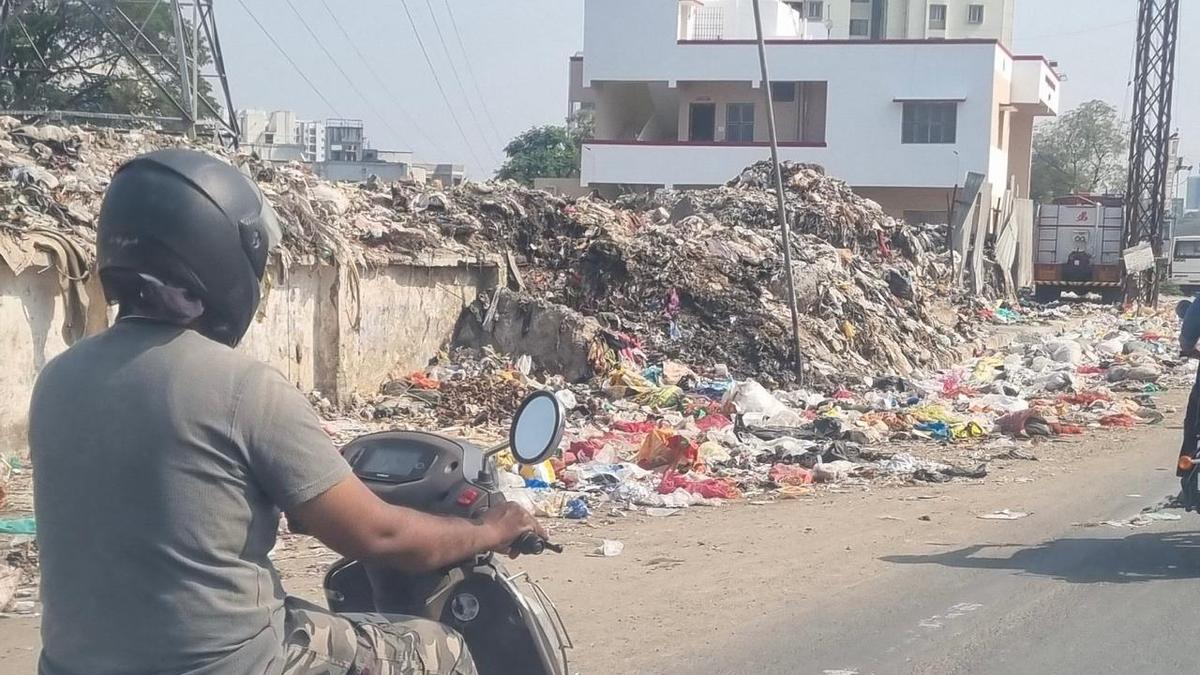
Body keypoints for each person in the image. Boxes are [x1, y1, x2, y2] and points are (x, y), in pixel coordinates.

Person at [29, 149, 545, 675]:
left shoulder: (57, 380)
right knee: (441, 649)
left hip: (71, 664)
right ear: (219, 252)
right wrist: (490, 531)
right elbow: (378, 535)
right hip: (230, 665)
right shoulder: (242, 388)